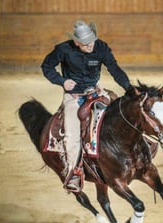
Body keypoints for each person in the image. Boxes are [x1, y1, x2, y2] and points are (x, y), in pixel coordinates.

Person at [41, 20, 133, 191]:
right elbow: (46, 66)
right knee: (72, 133)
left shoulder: (101, 47)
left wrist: (129, 88)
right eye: (85, 44)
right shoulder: (63, 49)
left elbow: (114, 68)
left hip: (96, 92)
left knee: (120, 114)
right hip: (73, 97)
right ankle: (74, 172)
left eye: (91, 42)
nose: (90, 46)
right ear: (76, 42)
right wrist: (62, 81)